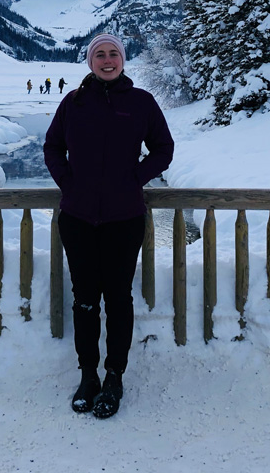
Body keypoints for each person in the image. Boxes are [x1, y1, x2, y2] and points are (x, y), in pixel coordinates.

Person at [44, 34, 174, 419]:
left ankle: (114, 376)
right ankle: (88, 375)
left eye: (113, 53)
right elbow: (52, 147)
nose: (106, 60)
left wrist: (135, 179)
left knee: (118, 298)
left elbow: (163, 149)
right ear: (89, 62)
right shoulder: (73, 102)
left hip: (124, 218)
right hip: (78, 217)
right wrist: (68, 182)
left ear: (123, 60)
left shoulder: (141, 103)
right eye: (99, 54)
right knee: (84, 297)